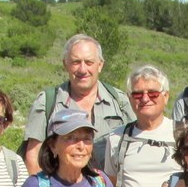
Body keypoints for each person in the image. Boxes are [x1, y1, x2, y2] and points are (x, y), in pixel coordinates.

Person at [21, 34, 134, 174]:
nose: (82, 69)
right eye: (76, 62)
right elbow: (33, 157)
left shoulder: (120, 101)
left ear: (100, 65)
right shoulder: (47, 102)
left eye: (89, 62)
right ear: (65, 64)